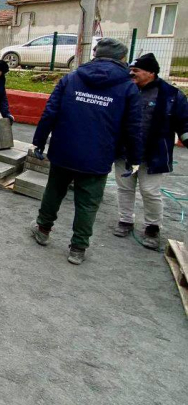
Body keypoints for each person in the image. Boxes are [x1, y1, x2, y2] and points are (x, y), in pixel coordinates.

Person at [30, 37, 143, 265]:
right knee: (88, 203)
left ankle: (43, 230)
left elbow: (50, 112)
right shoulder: (128, 87)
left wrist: (39, 141)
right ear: (122, 58)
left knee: (54, 191)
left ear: (96, 54)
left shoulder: (71, 78)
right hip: (98, 156)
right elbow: (133, 127)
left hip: (64, 150)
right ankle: (78, 248)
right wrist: (134, 157)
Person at [113, 53, 188, 250]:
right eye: (130, 69)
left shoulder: (171, 95)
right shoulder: (125, 90)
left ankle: (152, 228)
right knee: (124, 188)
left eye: (136, 70)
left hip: (153, 155)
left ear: (151, 72)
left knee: (150, 192)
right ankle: (125, 221)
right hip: (125, 152)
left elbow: (184, 121)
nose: (131, 73)